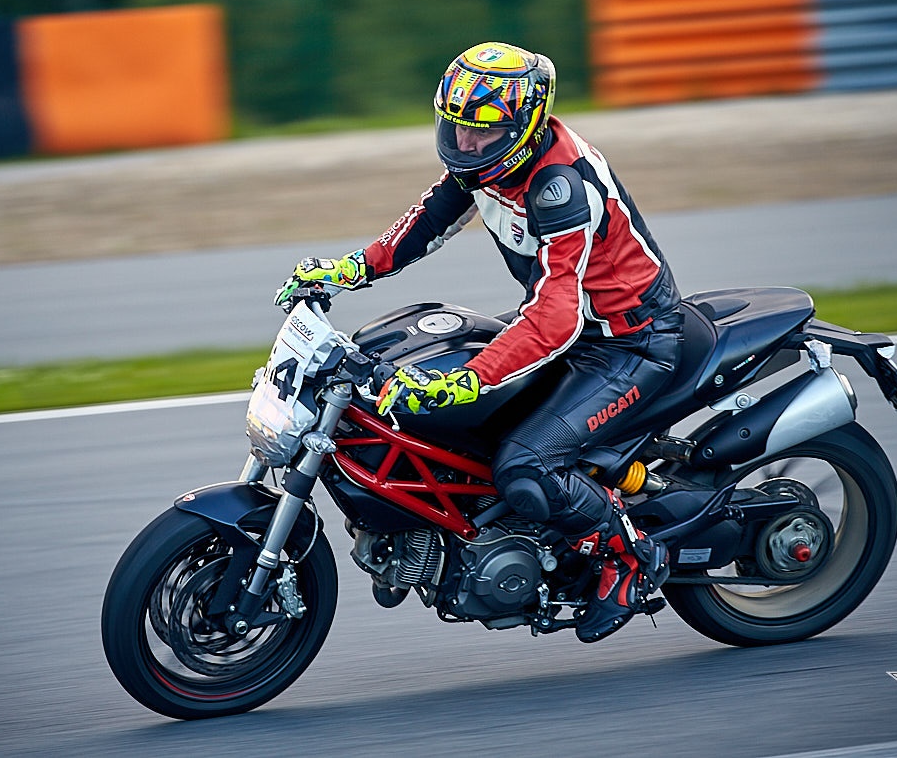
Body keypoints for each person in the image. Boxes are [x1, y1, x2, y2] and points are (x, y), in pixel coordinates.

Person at [275, 42, 683, 643]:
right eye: (456, 126)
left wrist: (469, 379)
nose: (465, 143)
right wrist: (349, 269)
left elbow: (554, 317)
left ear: (525, 128)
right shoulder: (485, 164)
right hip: (572, 328)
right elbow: (424, 223)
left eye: (481, 132)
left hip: (629, 342)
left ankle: (630, 559)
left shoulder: (560, 187)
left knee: (526, 464)